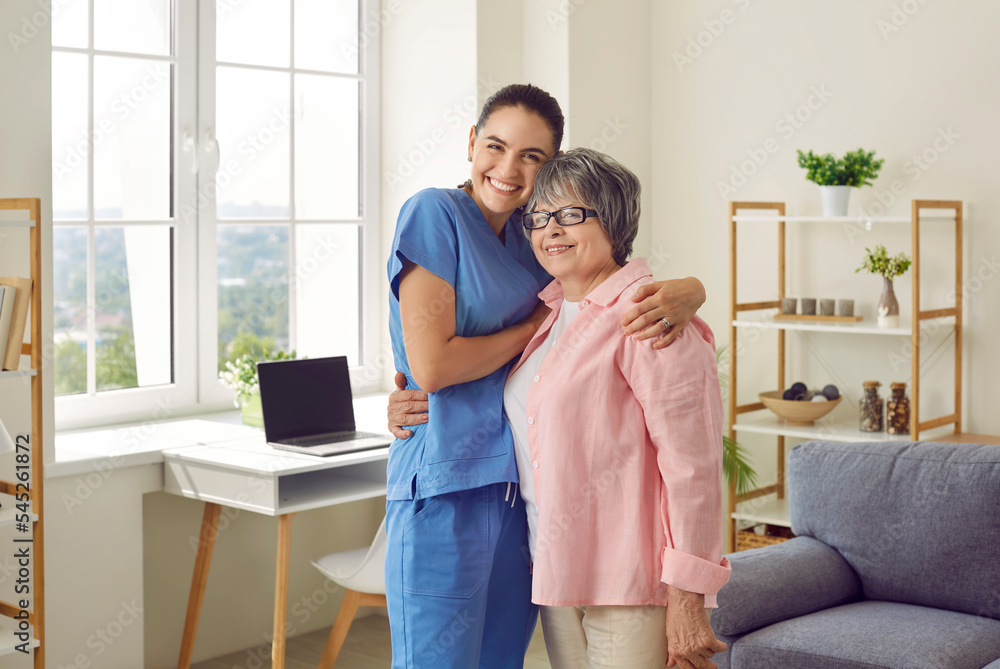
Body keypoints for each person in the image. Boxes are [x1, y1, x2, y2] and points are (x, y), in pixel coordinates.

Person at [385, 84, 707, 669]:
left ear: (549, 166)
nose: (508, 169)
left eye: (531, 156)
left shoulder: (537, 240)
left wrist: (692, 290)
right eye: (495, 145)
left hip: (519, 503)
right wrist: (533, 323)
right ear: (471, 143)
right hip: (447, 483)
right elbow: (431, 366)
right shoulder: (437, 214)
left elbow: (602, 285)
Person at [507, 148, 730, 669]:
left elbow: (693, 469)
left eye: (570, 214)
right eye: (539, 216)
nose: (550, 229)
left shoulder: (650, 314)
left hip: (631, 579)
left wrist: (688, 596)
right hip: (556, 566)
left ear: (612, 218)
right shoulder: (548, 314)